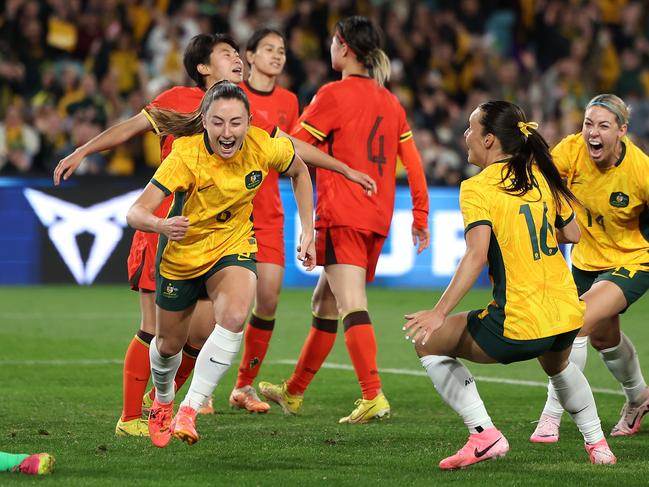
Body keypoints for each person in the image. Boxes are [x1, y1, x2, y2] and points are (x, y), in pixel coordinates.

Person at [52, 33, 376, 436]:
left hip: (215, 239)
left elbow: (291, 152)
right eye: (227, 54)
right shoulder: (179, 100)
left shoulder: (245, 114)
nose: (238, 59)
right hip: (165, 232)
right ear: (203, 67)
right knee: (157, 333)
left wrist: (341, 168)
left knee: (203, 334)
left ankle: (168, 403)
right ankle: (132, 416)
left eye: (239, 54)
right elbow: (129, 129)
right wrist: (82, 151)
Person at [403, 100, 616, 469]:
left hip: (519, 321)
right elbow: (573, 233)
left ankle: (483, 434)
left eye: (471, 129)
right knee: (560, 368)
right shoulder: (540, 176)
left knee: (428, 342)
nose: (465, 135)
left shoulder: (478, 187)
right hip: (566, 314)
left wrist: (439, 313)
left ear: (488, 141)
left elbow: (476, 256)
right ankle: (599, 446)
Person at [259, 16, 430, 424]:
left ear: (344, 47)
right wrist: (420, 214)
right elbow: (414, 162)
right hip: (377, 214)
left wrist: (260, 135)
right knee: (325, 300)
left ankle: (372, 395)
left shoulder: (332, 95)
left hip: (342, 211)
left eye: (333, 42)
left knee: (351, 302)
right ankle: (295, 391)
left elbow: (293, 144)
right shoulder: (390, 101)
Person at [126, 81, 315, 448]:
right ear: (204, 122)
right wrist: (161, 224)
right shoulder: (185, 155)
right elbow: (136, 212)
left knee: (232, 317)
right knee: (168, 345)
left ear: (248, 122)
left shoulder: (264, 145)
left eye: (235, 123)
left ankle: (189, 410)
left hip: (233, 246)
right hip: (182, 255)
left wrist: (308, 230)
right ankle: (163, 400)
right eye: (218, 123)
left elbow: (301, 171)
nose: (227, 133)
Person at [530, 94, 649, 443]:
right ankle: (639, 397)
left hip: (632, 260)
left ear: (622, 131)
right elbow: (539, 180)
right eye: (587, 124)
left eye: (603, 126)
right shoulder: (571, 151)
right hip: (585, 259)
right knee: (602, 337)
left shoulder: (641, 171)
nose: (592, 133)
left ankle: (551, 416)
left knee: (576, 322)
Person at [228, 28, 300, 413]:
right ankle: (198, 391)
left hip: (269, 212)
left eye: (282, 50)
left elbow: (294, 154)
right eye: (268, 49)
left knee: (268, 299)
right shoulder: (232, 95)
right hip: (229, 212)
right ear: (249, 56)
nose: (277, 55)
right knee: (223, 307)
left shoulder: (289, 101)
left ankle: (243, 385)